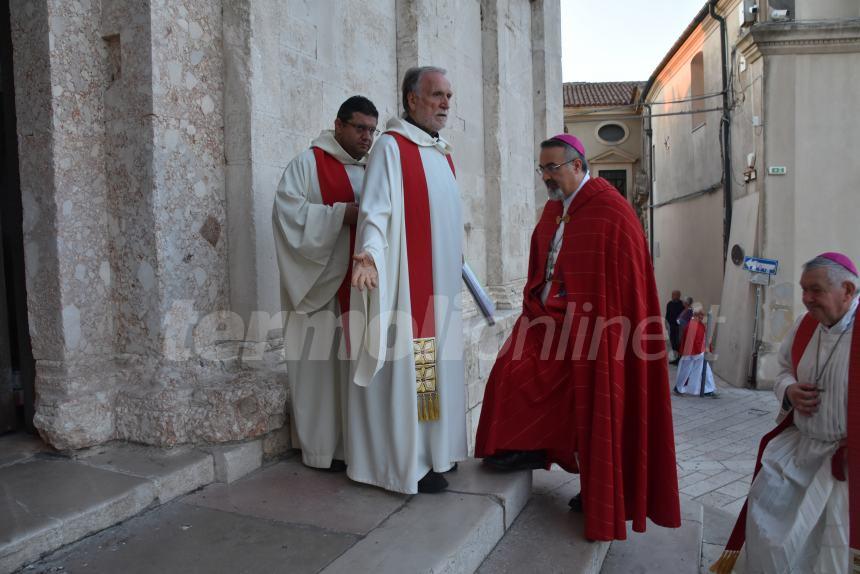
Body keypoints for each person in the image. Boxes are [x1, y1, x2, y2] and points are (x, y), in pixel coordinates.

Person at [473, 133, 680, 541]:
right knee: (511, 369)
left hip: (597, 329)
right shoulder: (554, 210)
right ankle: (526, 445)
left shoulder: (610, 211)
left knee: (597, 406)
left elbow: (621, 286)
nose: (546, 177)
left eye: (553, 168)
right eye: (542, 169)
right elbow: (542, 263)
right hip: (546, 319)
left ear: (578, 166)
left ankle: (601, 492)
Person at [349, 66, 465, 494]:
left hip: (439, 290)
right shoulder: (392, 149)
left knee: (430, 372)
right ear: (412, 99)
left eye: (449, 96)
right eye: (437, 95)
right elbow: (375, 211)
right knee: (419, 370)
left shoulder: (442, 154)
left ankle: (433, 451)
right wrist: (369, 258)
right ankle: (409, 462)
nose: (446, 104)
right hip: (408, 289)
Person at [711, 252, 859, 574]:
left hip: (846, 468)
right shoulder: (805, 326)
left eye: (815, 290)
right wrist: (790, 390)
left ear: (847, 291)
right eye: (804, 289)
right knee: (766, 527)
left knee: (828, 552)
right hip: (799, 449)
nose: (805, 299)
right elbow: (782, 371)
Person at [272, 96, 379, 472]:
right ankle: (321, 449)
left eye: (372, 129)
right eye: (359, 128)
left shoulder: (376, 168)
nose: (367, 137)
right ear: (338, 125)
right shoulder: (307, 165)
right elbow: (287, 213)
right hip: (319, 286)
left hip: (362, 288)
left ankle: (358, 447)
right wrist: (339, 216)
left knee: (358, 365)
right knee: (319, 367)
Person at [673, 305, 716, 397]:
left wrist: (706, 348)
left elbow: (704, 337)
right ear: (696, 314)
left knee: (706, 370)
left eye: (702, 314)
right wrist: (699, 350)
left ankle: (708, 389)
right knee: (686, 370)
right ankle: (679, 387)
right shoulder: (691, 325)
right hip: (691, 353)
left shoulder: (699, 324)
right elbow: (691, 340)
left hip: (699, 352)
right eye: (701, 314)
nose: (702, 316)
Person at [666, 290, 685, 364]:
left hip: (679, 328)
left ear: (679, 296)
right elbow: (667, 315)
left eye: (674, 295)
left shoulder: (682, 304)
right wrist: (666, 323)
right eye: (672, 295)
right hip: (671, 326)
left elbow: (684, 316)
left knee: (678, 343)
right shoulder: (669, 304)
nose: (672, 296)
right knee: (672, 343)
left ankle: (679, 360)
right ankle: (674, 358)